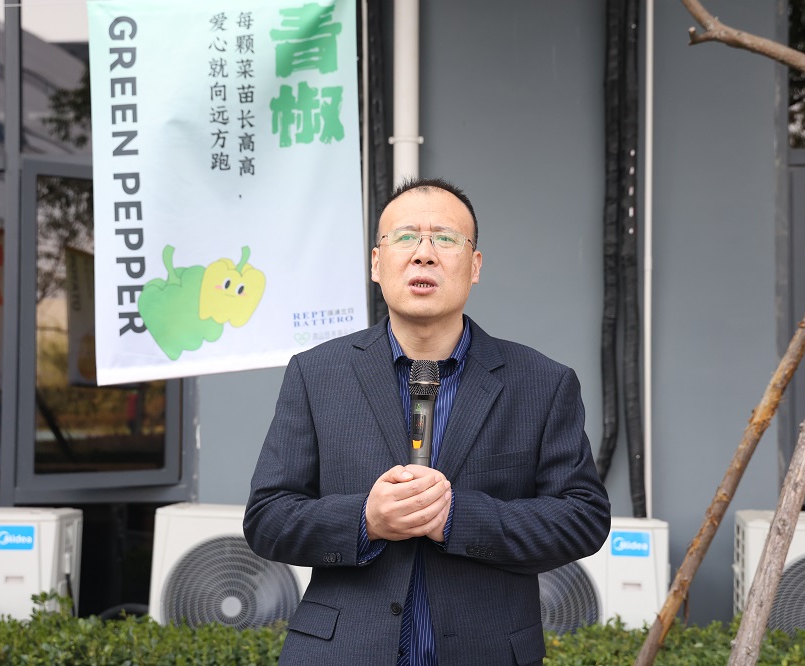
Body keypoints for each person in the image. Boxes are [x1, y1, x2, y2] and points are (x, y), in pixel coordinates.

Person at [244, 177, 611, 665]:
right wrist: (365, 520)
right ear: (377, 264)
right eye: (405, 237)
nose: (424, 254)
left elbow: (583, 518)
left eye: (445, 238)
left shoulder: (541, 383)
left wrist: (458, 517)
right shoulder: (316, 374)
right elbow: (268, 518)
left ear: (474, 265)